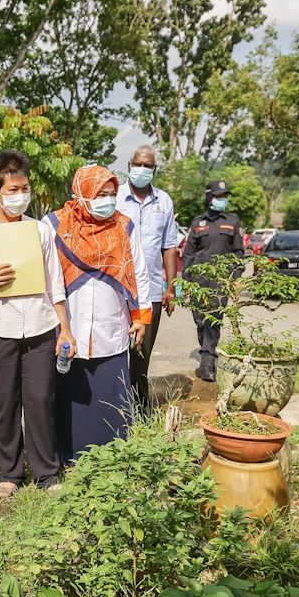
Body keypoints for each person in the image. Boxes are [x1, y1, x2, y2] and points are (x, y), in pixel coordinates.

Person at [0, 149, 75, 496]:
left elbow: (55, 284)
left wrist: (65, 329)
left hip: (40, 327)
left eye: (25, 188)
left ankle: (47, 473)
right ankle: (10, 474)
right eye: (13, 190)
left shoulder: (40, 231)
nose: (21, 195)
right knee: (5, 402)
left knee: (40, 400)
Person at [45, 165, 151, 463]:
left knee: (110, 397)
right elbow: (46, 275)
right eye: (100, 194)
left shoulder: (124, 226)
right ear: (81, 193)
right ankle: (68, 460)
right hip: (68, 325)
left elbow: (139, 273)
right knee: (68, 397)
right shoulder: (54, 224)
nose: (107, 200)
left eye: (112, 194)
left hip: (112, 325)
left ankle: (113, 461)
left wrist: (141, 317)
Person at [115, 145, 181, 408]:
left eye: (148, 166)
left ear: (154, 169)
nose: (142, 170)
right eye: (138, 164)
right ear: (129, 166)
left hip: (151, 290)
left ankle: (139, 409)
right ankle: (115, 407)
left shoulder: (164, 201)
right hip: (118, 289)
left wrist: (170, 287)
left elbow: (169, 246)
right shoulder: (114, 197)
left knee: (141, 354)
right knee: (115, 351)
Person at [181, 180, 245, 381]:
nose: (222, 199)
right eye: (219, 196)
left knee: (213, 320)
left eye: (224, 196)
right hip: (198, 281)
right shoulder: (197, 223)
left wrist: (235, 278)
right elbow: (188, 254)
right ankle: (206, 355)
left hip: (220, 280)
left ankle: (208, 364)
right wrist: (186, 282)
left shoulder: (232, 222)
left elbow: (239, 253)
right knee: (200, 321)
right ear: (209, 197)